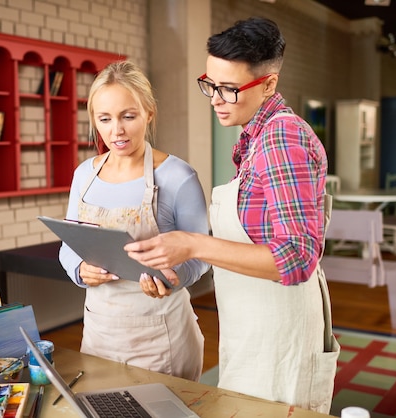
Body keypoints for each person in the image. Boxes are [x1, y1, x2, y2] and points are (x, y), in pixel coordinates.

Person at [124, 17, 339, 413]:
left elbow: (296, 258)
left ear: (269, 84)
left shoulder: (281, 137)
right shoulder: (254, 139)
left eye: (229, 89)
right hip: (253, 329)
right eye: (210, 84)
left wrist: (192, 243)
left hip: (281, 338)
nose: (215, 99)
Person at [58, 60, 210, 381]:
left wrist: (172, 276)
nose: (117, 130)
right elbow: (69, 245)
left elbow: (201, 254)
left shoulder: (178, 176)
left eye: (129, 116)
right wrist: (79, 269)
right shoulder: (84, 175)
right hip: (99, 331)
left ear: (149, 113)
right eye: (105, 119)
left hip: (161, 335)